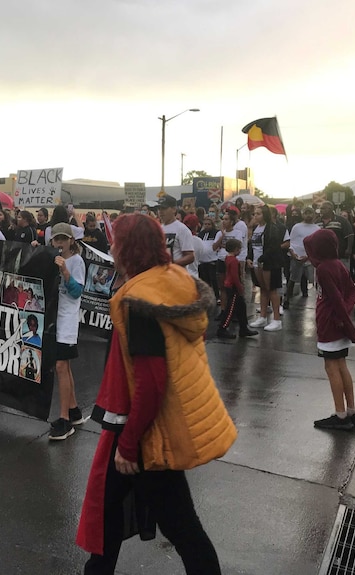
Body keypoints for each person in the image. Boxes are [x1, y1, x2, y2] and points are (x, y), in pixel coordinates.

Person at [76, 213, 235, 575]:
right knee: (112, 512)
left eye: (116, 242)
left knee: (179, 525)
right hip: (147, 424)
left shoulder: (139, 299)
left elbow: (151, 381)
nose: (111, 247)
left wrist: (129, 444)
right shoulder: (172, 279)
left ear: (126, 248)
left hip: (146, 432)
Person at [304, 229, 355, 430]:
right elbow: (351, 293)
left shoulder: (322, 269)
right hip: (339, 322)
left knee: (331, 367)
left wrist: (342, 320)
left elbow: (336, 299)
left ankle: (340, 414)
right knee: (342, 365)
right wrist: (346, 321)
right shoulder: (339, 265)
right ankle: (352, 410)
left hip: (329, 322)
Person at [48, 222, 88, 441]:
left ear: (72, 240)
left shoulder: (76, 261)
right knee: (65, 366)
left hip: (67, 320)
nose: (60, 243)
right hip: (56, 318)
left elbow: (76, 292)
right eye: (57, 239)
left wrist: (65, 271)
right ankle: (73, 411)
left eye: (64, 238)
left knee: (61, 366)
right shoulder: (52, 257)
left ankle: (64, 419)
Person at [217, 239, 258, 339]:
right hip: (233, 287)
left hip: (229, 285)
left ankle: (243, 328)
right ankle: (222, 328)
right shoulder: (234, 261)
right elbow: (235, 276)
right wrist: (240, 288)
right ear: (236, 249)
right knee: (231, 309)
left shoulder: (228, 258)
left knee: (241, 308)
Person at [285, 206, 321, 306]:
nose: (308, 215)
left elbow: (317, 246)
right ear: (302, 214)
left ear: (314, 214)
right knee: (292, 279)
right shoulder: (296, 227)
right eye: (306, 213)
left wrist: (309, 256)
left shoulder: (317, 228)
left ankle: (319, 301)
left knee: (316, 281)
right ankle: (287, 299)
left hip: (311, 259)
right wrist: (293, 254)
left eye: (310, 213)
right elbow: (291, 242)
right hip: (297, 257)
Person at [156, 195, 194, 268]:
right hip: (159, 274)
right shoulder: (158, 228)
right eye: (159, 208)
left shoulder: (182, 229)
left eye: (164, 208)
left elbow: (190, 256)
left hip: (175, 274)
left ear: (174, 209)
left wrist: (171, 265)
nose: (160, 212)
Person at [318, 201, 354, 268]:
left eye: (323, 208)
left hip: (340, 255)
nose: (321, 210)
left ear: (330, 209)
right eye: (320, 209)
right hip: (323, 256)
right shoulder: (317, 222)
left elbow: (350, 235)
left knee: (342, 275)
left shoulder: (341, 220)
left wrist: (349, 249)